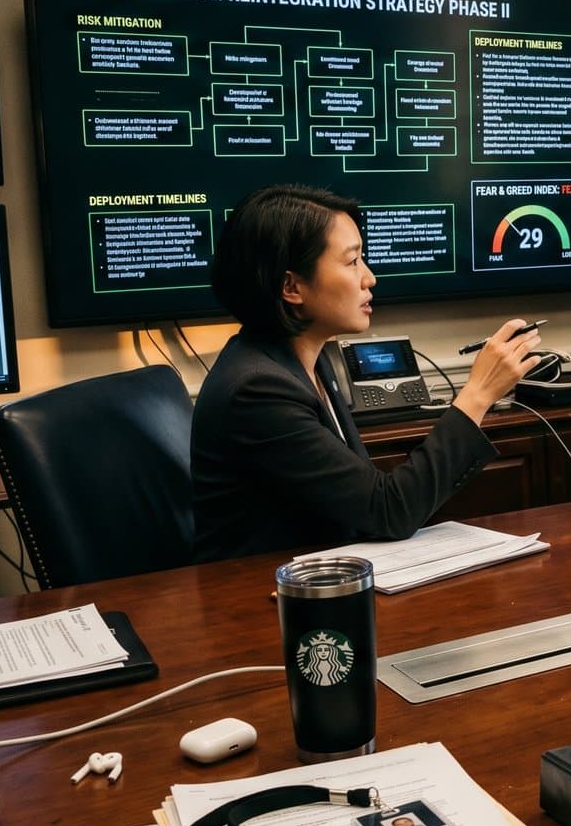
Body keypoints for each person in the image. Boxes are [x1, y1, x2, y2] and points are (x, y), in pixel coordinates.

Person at [193, 184, 540, 562]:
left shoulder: (309, 361)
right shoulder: (257, 390)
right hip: (262, 590)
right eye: (352, 261)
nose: (369, 278)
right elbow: (388, 510)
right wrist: (478, 394)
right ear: (291, 286)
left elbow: (367, 506)